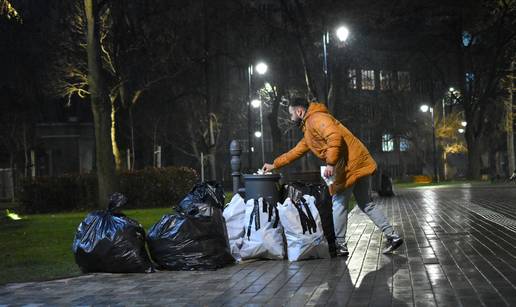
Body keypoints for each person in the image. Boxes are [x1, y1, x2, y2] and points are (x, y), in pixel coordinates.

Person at [262, 98, 403, 255]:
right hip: (359, 163)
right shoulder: (309, 128)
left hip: (348, 166)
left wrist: (330, 163)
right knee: (366, 204)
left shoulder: (316, 119)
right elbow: (295, 152)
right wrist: (274, 165)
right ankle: (393, 236)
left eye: (291, 114)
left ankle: (340, 244)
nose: (291, 118)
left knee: (339, 203)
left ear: (299, 112)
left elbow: (334, 137)